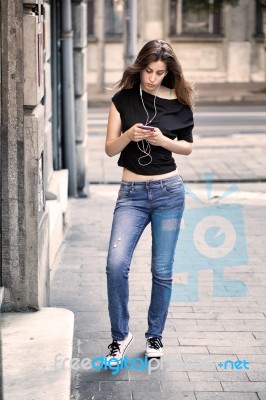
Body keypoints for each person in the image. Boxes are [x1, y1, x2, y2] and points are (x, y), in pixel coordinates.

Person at [105, 39, 195, 365]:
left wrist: (162, 140)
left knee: (162, 270)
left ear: (168, 72)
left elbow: (186, 148)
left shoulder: (180, 104)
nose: (152, 78)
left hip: (169, 192)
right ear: (139, 66)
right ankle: (120, 335)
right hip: (131, 195)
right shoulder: (122, 100)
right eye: (148, 70)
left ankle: (154, 333)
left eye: (159, 72)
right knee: (116, 264)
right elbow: (110, 149)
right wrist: (130, 135)